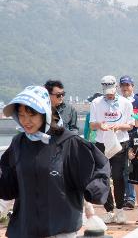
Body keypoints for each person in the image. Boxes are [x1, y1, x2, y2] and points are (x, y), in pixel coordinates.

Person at [0, 86, 110, 238]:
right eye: (21, 115)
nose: (26, 121)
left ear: (45, 113)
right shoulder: (18, 143)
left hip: (61, 229)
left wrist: (94, 189)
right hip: (25, 227)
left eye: (32, 115)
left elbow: (98, 165)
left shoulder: (68, 142)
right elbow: (8, 180)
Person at [90, 75, 133, 224]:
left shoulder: (125, 103)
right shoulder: (96, 103)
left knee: (118, 176)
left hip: (120, 143)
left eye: (111, 91)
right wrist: (100, 126)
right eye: (106, 91)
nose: (109, 94)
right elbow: (92, 124)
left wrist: (118, 126)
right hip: (102, 143)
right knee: (104, 177)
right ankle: (109, 210)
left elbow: (130, 125)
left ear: (116, 88)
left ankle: (120, 209)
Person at [119, 75, 138, 209]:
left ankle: (131, 197)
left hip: (135, 138)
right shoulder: (117, 101)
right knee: (122, 168)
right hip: (120, 137)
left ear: (132, 86)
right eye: (123, 85)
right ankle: (125, 196)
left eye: (127, 85)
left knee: (131, 167)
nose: (125, 88)